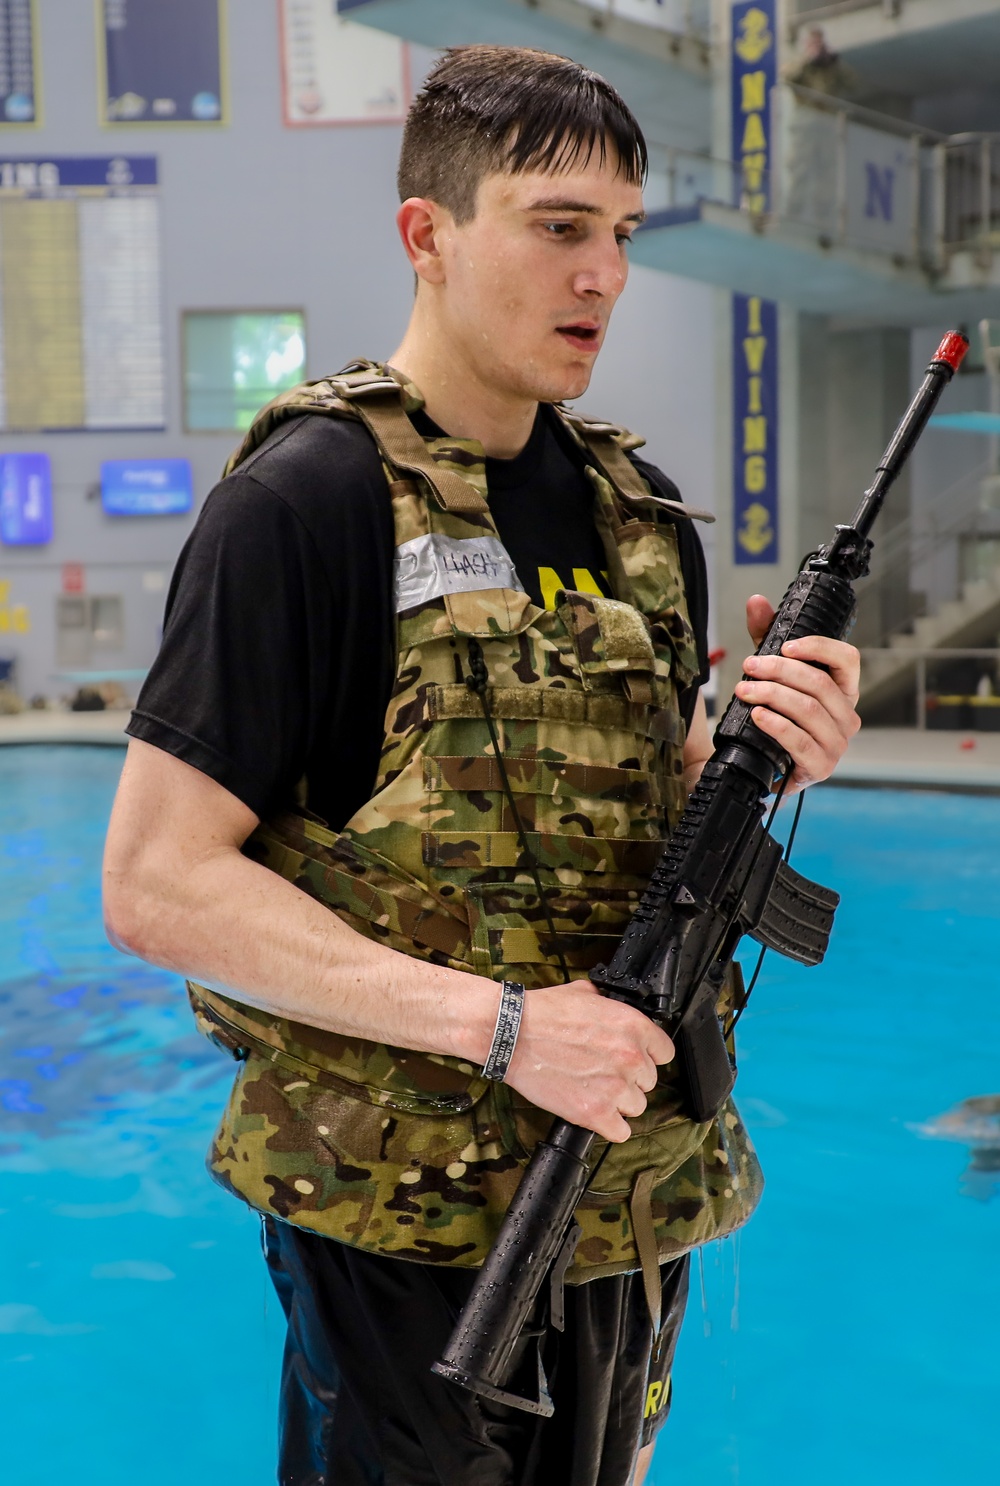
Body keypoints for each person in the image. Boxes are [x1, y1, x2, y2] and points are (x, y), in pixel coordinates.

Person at [103, 45, 861, 1486]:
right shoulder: (305, 505)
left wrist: (773, 741)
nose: (605, 276)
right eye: (558, 225)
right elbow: (156, 882)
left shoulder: (643, 518)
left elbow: (654, 802)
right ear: (429, 234)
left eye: (625, 235)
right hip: (403, 1220)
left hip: (632, 1194)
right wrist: (507, 1026)